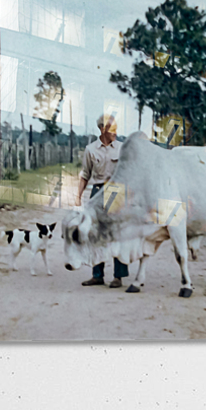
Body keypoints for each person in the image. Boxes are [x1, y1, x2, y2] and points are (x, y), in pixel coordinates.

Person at [76, 114, 129, 287]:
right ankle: (97, 275)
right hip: (97, 192)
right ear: (102, 129)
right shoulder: (91, 149)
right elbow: (85, 175)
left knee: (117, 234)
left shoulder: (122, 149)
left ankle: (118, 276)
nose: (115, 132)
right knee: (96, 234)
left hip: (116, 191)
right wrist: (78, 196)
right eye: (112, 129)